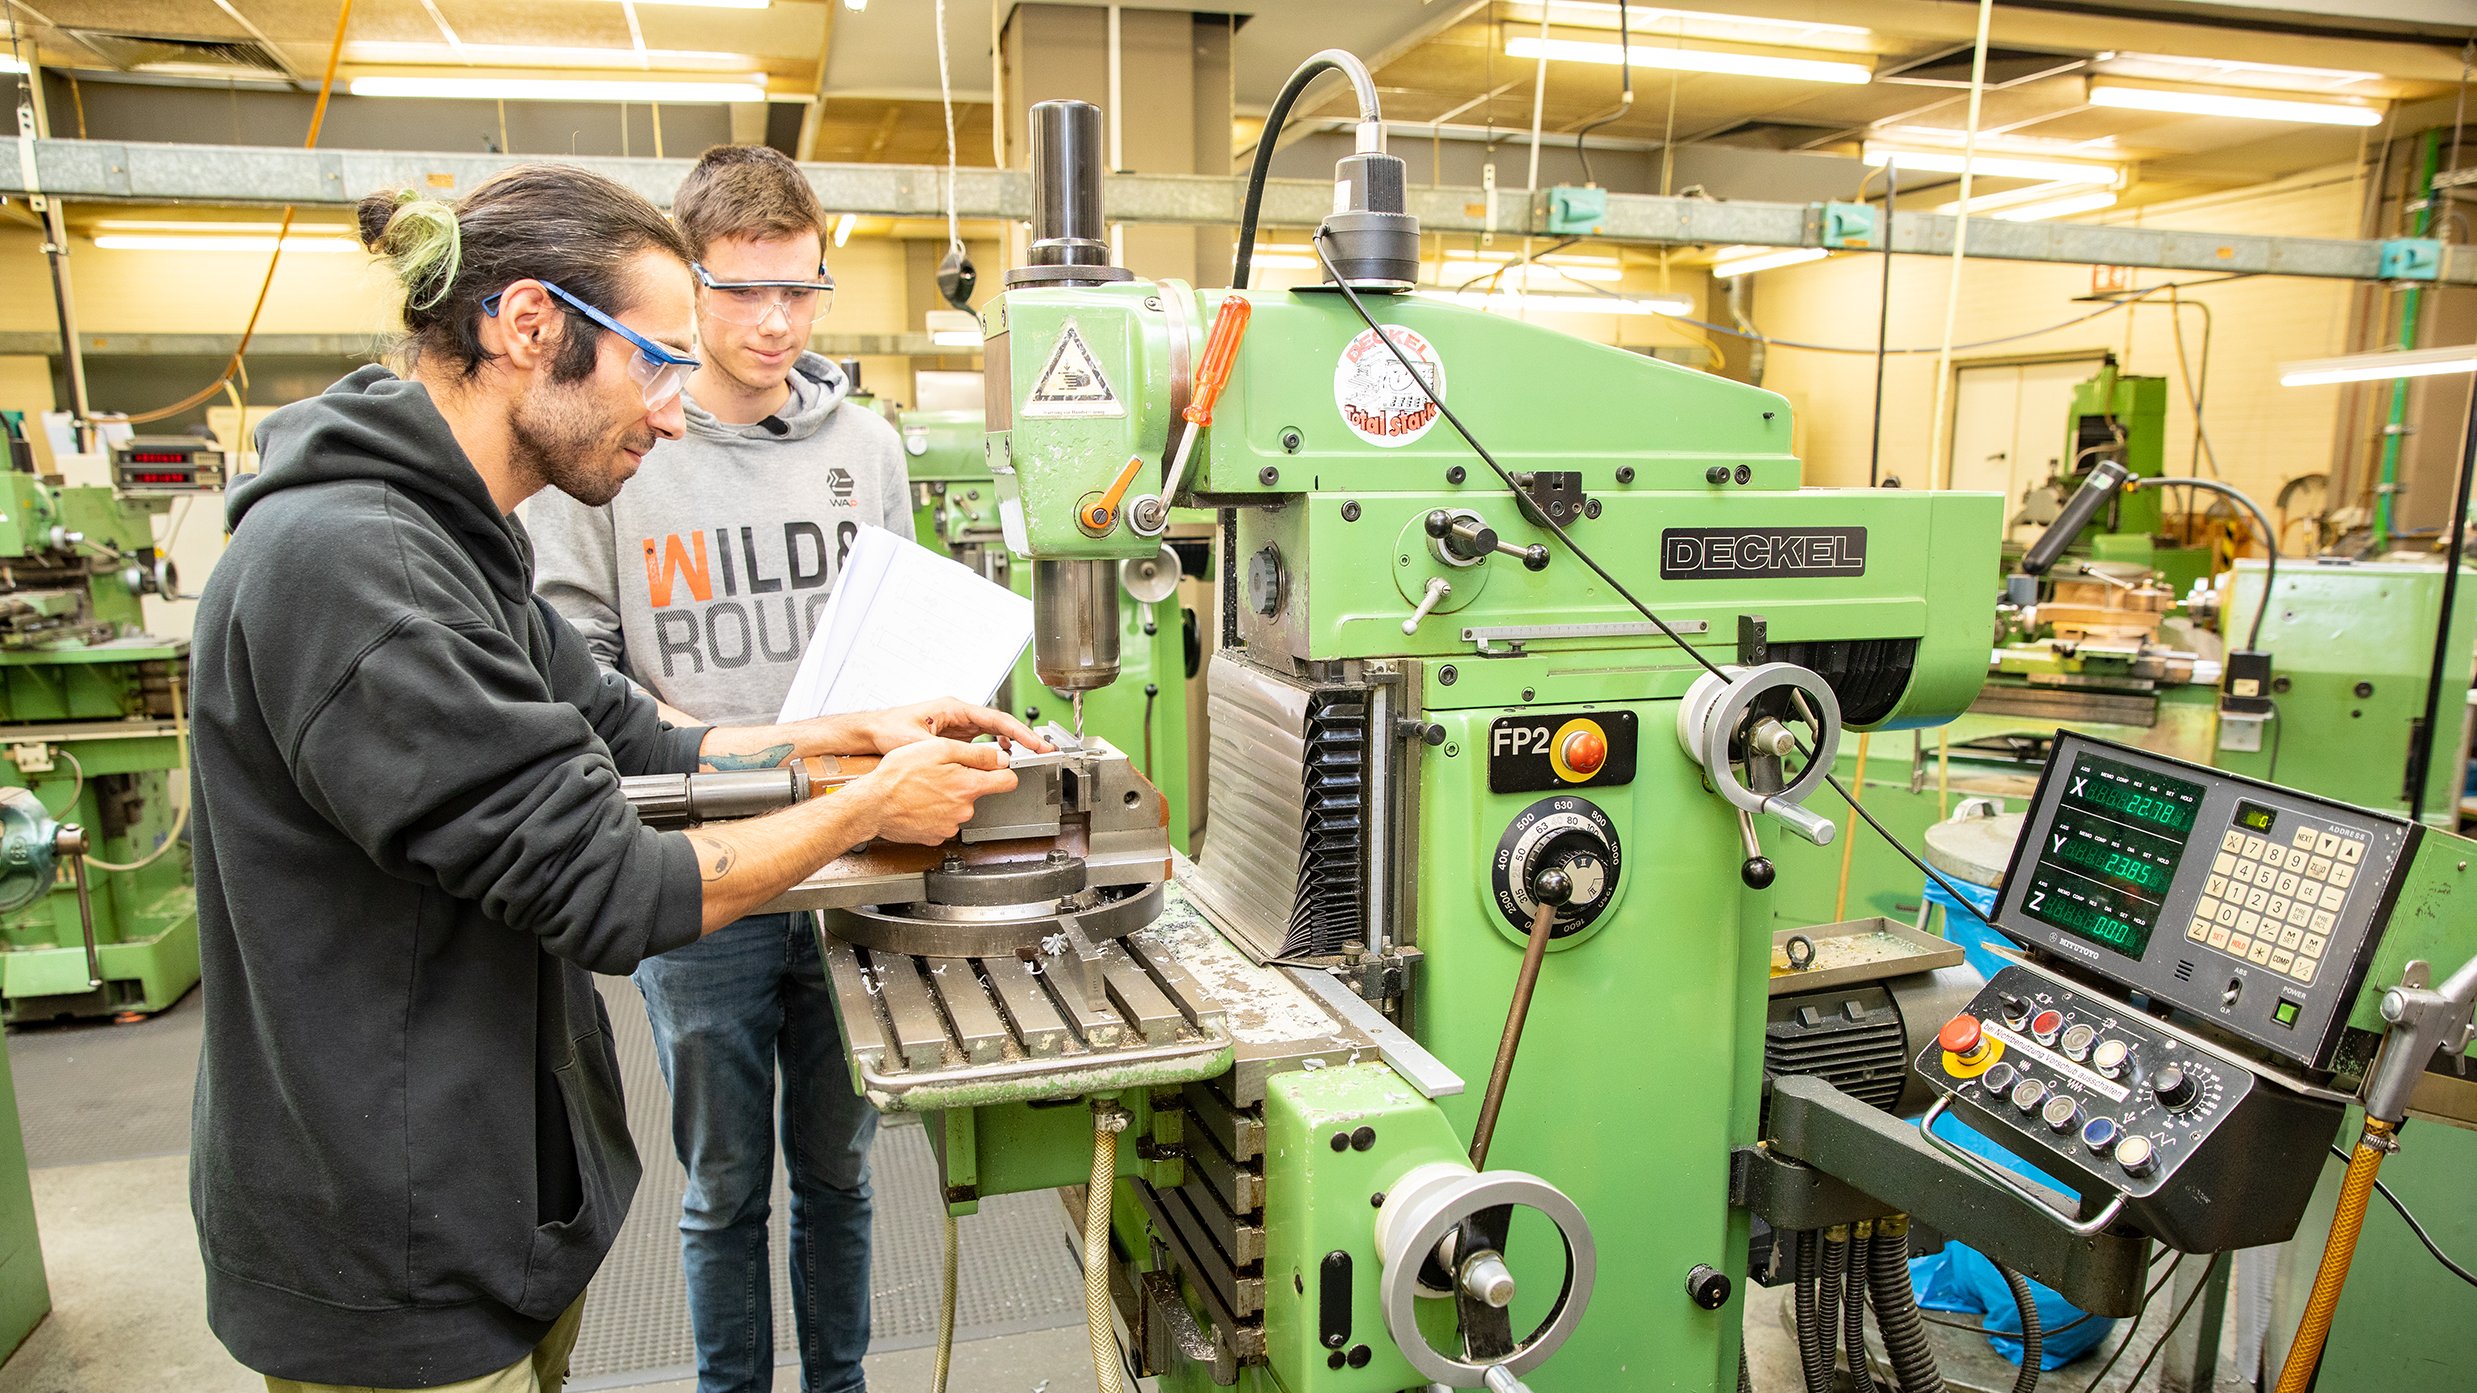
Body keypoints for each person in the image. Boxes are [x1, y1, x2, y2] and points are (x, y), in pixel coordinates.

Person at [185, 163, 1045, 1393]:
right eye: (652, 361)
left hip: (479, 1194)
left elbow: (631, 734)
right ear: (530, 327)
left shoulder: (451, 543)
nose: (673, 411)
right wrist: (867, 807)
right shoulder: (361, 571)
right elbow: (610, 891)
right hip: (392, 1244)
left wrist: (850, 731)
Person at [530, 144, 907, 1393]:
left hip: (856, 848)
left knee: (842, 1173)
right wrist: (697, 734)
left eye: (800, 290)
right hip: (698, 862)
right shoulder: (620, 442)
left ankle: (838, 1383)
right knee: (725, 1182)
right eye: (743, 291)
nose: (776, 321)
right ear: (686, 288)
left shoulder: (867, 444)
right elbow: (571, 657)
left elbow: (903, 629)